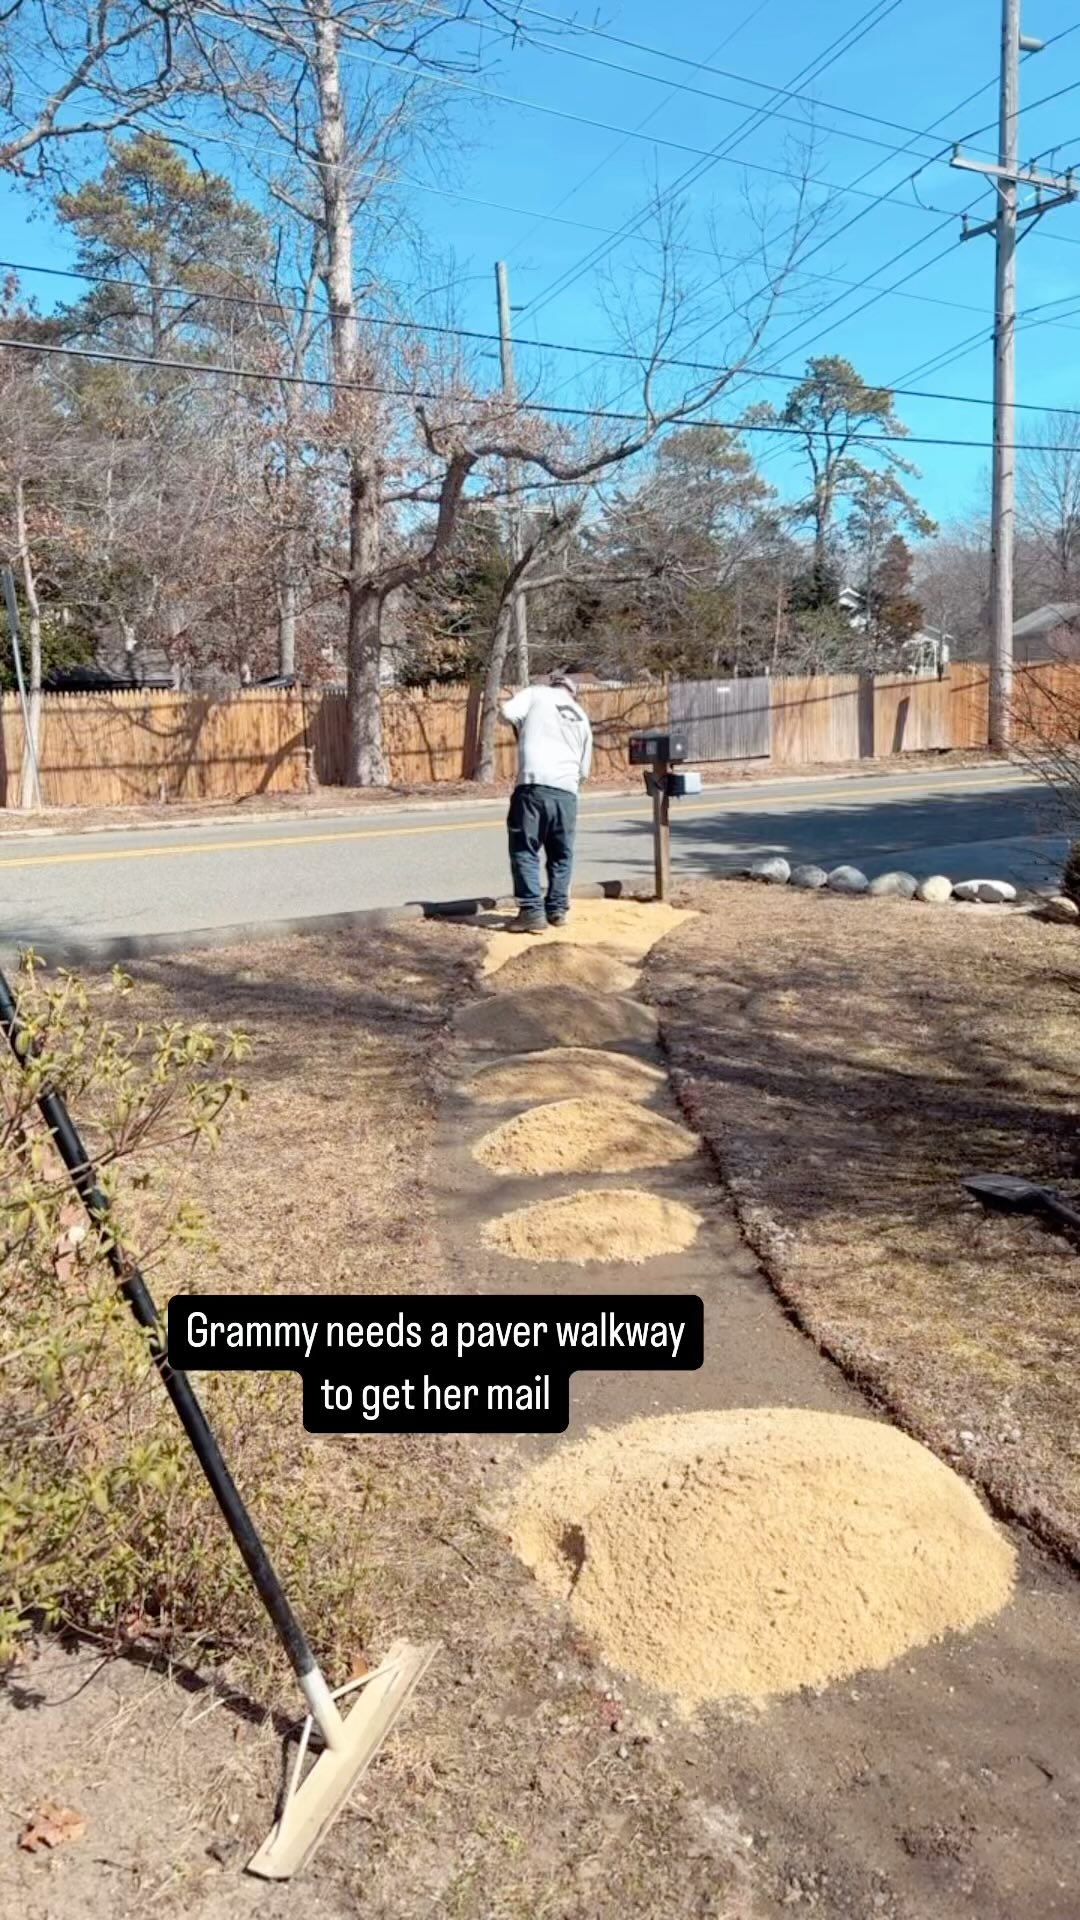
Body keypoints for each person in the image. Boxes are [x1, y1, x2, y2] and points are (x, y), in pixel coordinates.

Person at [499, 669, 593, 932]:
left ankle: (531, 911)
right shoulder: (582, 717)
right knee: (561, 853)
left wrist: (521, 725)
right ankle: (557, 909)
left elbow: (506, 713)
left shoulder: (536, 694)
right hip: (566, 793)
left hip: (533, 785)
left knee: (525, 849)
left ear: (553, 685)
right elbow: (584, 771)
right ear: (573, 694)